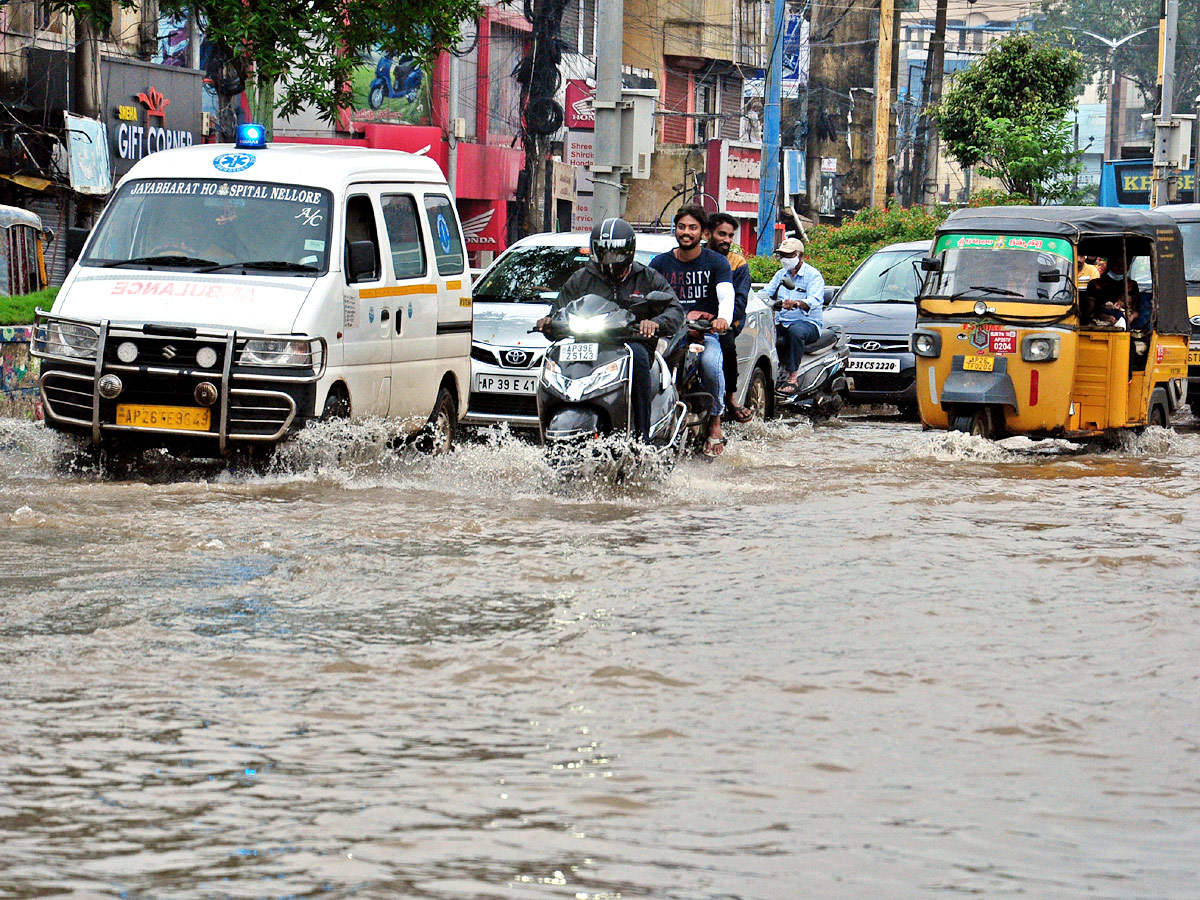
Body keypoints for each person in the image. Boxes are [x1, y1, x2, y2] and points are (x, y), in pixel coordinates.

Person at [536, 218, 683, 443]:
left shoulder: (647, 277)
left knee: (639, 358)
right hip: (587, 342)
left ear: (629, 250)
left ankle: (640, 436)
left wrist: (655, 323)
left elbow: (674, 310)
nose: (609, 259)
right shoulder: (582, 278)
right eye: (603, 252)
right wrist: (549, 322)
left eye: (615, 252)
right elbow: (559, 310)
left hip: (629, 342)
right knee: (554, 357)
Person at [649, 205, 735, 457]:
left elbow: (726, 296)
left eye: (692, 228)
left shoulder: (717, 262)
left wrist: (722, 319)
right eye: (681, 227)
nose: (686, 232)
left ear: (703, 233)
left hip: (704, 335)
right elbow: (646, 298)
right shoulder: (660, 263)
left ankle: (715, 423)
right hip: (668, 335)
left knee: (710, 365)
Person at [706, 212, 753, 423]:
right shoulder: (695, 257)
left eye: (730, 235)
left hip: (724, 324)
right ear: (708, 233)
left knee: (727, 346)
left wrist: (722, 319)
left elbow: (740, 302)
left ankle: (730, 398)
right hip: (692, 322)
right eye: (721, 234)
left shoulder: (738, 263)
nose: (727, 240)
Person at [762, 237, 825, 395]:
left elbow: (815, 300)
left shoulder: (813, 276)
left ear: (800, 256)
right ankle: (769, 374)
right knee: (764, 333)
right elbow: (766, 293)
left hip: (807, 323)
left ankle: (793, 377)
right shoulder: (780, 275)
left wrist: (797, 303)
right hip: (782, 321)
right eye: (783, 255)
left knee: (795, 332)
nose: (785, 259)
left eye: (789, 255)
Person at [1081, 252, 1137, 328]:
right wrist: (1101, 316)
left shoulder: (1131, 285)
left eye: (1124, 264)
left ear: (1128, 267)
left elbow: (1136, 310)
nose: (1120, 267)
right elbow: (1089, 310)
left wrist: (1130, 317)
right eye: (1117, 263)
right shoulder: (1095, 284)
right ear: (1110, 264)